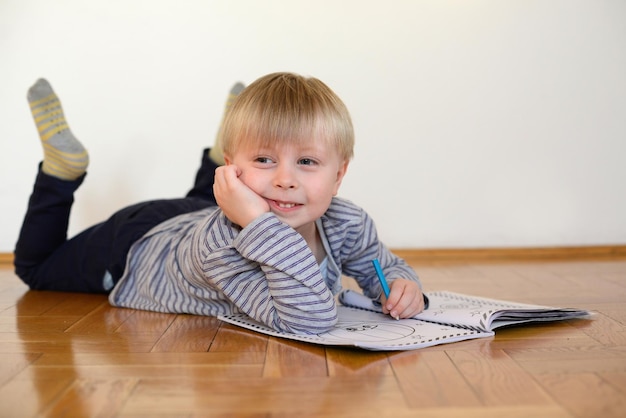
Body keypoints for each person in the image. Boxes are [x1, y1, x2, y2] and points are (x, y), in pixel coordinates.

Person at [14, 72, 425, 335]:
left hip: (198, 211)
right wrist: (257, 221)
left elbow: (384, 265)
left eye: (307, 161)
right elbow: (309, 319)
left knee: (201, 202)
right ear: (234, 173)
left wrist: (405, 287)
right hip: (130, 248)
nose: (284, 179)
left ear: (339, 175)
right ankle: (60, 172)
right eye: (264, 159)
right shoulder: (221, 247)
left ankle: (225, 147)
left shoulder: (345, 221)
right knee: (35, 267)